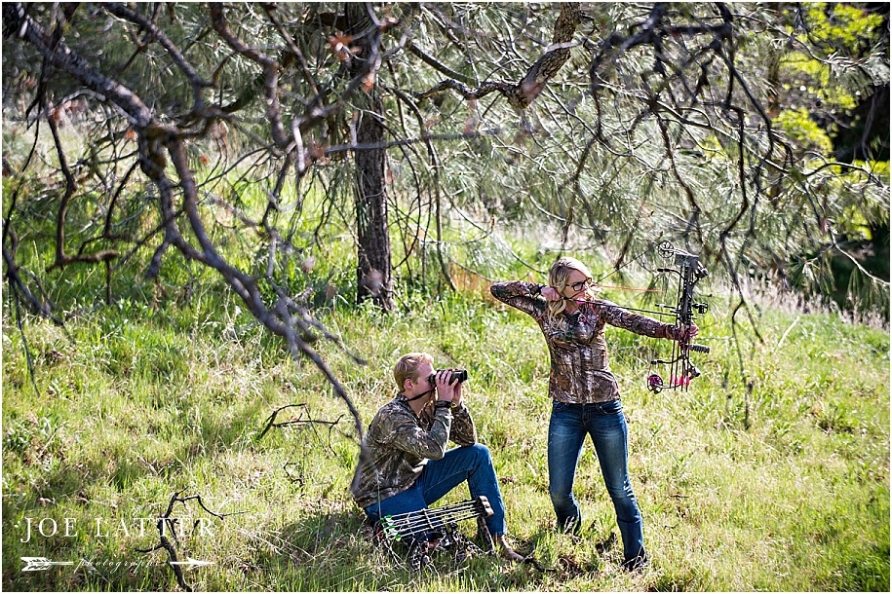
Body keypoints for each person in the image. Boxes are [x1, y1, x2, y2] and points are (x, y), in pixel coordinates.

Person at [490, 256, 698, 571]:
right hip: (566, 410)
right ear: (560, 286)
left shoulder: (597, 309)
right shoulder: (543, 310)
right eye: (577, 284)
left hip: (605, 408)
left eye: (587, 282)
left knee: (619, 488)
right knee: (559, 491)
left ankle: (636, 558)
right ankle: (570, 534)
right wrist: (539, 290)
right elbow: (498, 290)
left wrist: (673, 331)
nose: (585, 288)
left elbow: (633, 321)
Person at [351, 352, 524, 562]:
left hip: (416, 479)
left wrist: (456, 405)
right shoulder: (392, 416)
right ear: (409, 384)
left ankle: (495, 536)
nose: (435, 384)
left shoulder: (428, 405)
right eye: (430, 379)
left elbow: (468, 440)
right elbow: (434, 450)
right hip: (383, 493)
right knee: (433, 542)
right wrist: (443, 405)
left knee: (478, 454)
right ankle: (381, 523)